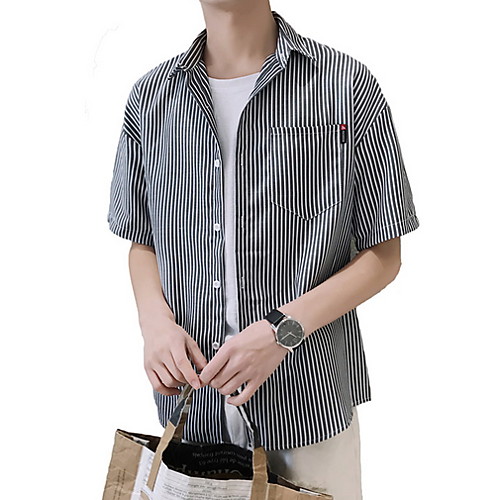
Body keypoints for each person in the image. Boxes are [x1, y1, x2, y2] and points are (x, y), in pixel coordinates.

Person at [106, 1, 420, 498]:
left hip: (306, 412)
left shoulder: (345, 85)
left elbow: (384, 254)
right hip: (193, 411)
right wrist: (154, 323)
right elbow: (140, 238)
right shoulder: (151, 97)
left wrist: (281, 332)